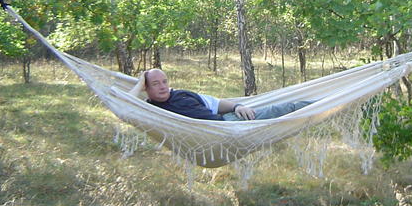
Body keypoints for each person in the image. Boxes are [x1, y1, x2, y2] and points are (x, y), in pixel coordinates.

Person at [130, 67, 312, 121]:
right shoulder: (150, 107)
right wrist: (139, 83)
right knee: (281, 108)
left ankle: (327, 102)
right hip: (221, 129)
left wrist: (237, 106)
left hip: (230, 121)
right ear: (146, 88)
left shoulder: (181, 94)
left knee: (283, 108)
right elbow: (124, 106)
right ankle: (326, 103)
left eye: (165, 81)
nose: (162, 87)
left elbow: (215, 104)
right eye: (155, 84)